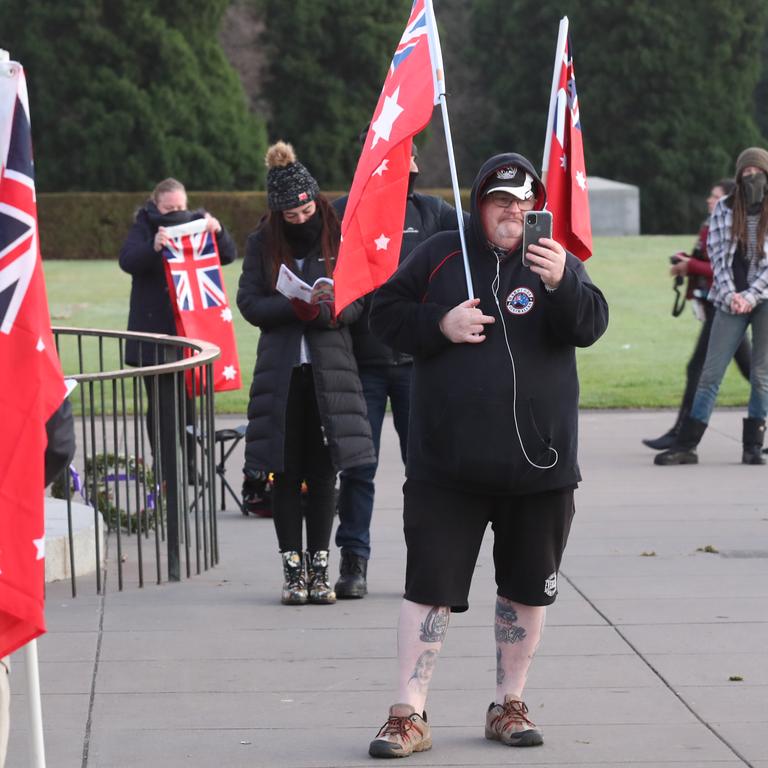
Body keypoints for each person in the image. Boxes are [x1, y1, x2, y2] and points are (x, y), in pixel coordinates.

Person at [365, 153, 609, 757]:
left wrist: (563, 282)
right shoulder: (440, 253)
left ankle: (509, 703)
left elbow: (591, 325)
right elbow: (383, 316)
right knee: (429, 587)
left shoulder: (556, 262)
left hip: (540, 466)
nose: (514, 213)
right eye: (502, 201)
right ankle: (407, 714)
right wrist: (438, 324)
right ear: (480, 205)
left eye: (525, 203)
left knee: (527, 590)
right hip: (447, 467)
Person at [237, 141, 375, 606]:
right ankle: (291, 572)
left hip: (328, 371)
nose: (300, 218)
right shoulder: (262, 243)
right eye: (290, 215)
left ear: (315, 199)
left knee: (322, 474)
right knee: (284, 472)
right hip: (282, 372)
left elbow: (358, 301)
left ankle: (320, 569)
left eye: (305, 209)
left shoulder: (338, 237)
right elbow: (250, 303)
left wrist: (329, 310)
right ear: (277, 214)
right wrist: (291, 307)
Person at [332, 139, 467, 599]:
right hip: (362, 363)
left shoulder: (433, 213)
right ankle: (353, 560)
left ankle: (427, 563)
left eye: (409, 152)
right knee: (357, 468)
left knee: (425, 471)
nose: (404, 159)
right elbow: (291, 230)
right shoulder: (345, 211)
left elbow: (480, 244)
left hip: (419, 364)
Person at [656, 147, 768, 466]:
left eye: (757, 173)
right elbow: (718, 258)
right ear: (738, 176)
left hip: (764, 297)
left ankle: (753, 446)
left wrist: (751, 295)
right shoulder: (725, 209)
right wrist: (734, 294)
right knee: (709, 374)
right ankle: (688, 445)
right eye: (745, 174)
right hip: (728, 298)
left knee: (761, 375)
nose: (751, 179)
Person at [118, 178, 237, 475]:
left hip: (188, 329)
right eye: (169, 208)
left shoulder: (197, 222)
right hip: (152, 333)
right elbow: (128, 260)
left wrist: (217, 232)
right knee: (158, 403)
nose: (175, 212)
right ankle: (164, 465)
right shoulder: (144, 225)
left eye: (180, 207)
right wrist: (154, 246)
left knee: (186, 402)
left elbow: (228, 256)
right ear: (155, 204)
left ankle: (192, 463)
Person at [643, 179, 751, 450]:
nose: (709, 201)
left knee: (698, 369)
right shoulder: (712, 225)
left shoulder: (734, 228)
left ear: (728, 201)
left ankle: (682, 433)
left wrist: (691, 264)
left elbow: (725, 269)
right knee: (751, 371)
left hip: (727, 306)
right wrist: (686, 262)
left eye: (715, 197)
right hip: (718, 305)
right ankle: (681, 432)